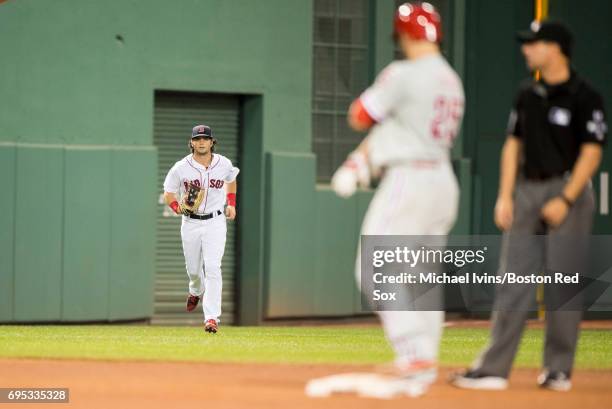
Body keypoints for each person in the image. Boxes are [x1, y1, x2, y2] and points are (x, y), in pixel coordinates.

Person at [451, 19, 607, 391]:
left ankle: (558, 369)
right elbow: (513, 145)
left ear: (555, 48)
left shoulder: (585, 96)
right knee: (513, 282)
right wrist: (505, 195)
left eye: (534, 43)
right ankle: (493, 369)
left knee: (562, 285)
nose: (526, 49)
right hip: (528, 191)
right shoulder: (527, 93)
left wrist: (566, 198)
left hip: (568, 191)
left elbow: (592, 151)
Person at [332, 2, 465, 390]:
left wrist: (361, 157)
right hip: (443, 180)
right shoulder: (451, 78)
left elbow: (359, 115)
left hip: (410, 180)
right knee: (420, 276)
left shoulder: (403, 73)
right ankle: (422, 362)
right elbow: (402, 126)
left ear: (405, 34)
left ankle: (412, 353)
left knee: (373, 269)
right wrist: (361, 161)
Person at [163, 124, 239, 334]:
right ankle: (195, 289)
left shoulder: (224, 163)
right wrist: (177, 207)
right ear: (192, 143)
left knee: (213, 268)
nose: (202, 142)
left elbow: (231, 180)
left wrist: (231, 203)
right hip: (191, 223)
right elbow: (169, 192)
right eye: (198, 139)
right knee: (195, 270)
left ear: (212, 142)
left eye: (206, 138)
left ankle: (211, 318)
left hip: (215, 222)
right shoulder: (181, 167)